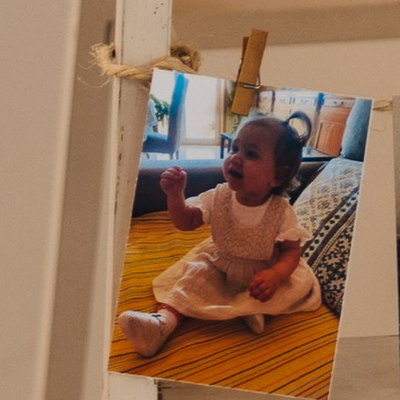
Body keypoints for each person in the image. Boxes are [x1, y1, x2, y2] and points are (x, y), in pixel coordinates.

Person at [119, 112, 320, 361]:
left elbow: (291, 251)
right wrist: (175, 196)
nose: (235, 157)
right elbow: (186, 222)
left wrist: (276, 275)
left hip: (261, 271)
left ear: (277, 176)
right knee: (193, 276)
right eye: (235, 148)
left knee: (266, 291)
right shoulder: (218, 196)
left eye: (251, 154)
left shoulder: (281, 211)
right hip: (219, 261)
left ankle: (250, 309)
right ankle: (161, 323)